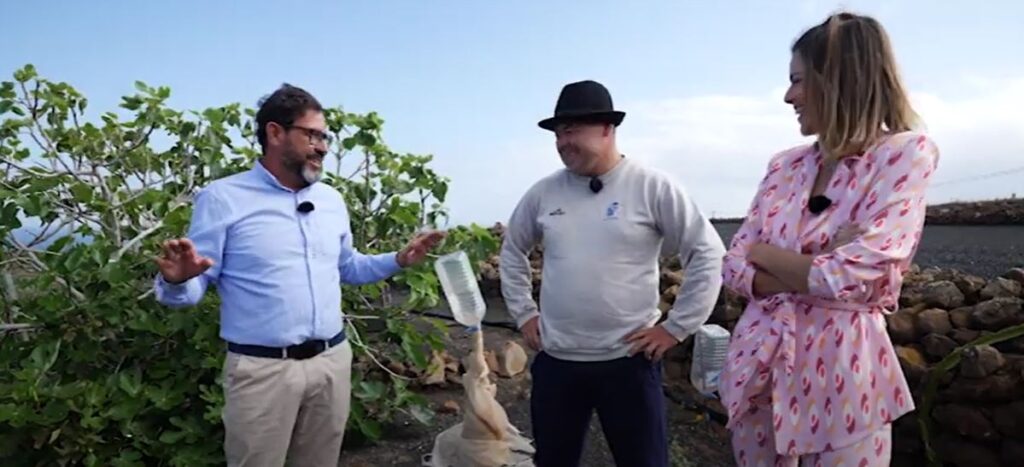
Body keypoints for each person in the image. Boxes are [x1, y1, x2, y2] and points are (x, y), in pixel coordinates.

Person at [152, 84, 445, 467]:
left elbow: (348, 267)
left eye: (325, 138)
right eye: (312, 135)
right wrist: (178, 280)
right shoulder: (223, 198)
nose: (322, 147)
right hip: (262, 372)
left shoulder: (330, 200)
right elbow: (196, 284)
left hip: (331, 362)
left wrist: (399, 259)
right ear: (275, 133)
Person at [718, 12, 940, 467]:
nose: (789, 96)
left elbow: (854, 272)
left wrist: (765, 254)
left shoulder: (904, 154)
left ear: (839, 78)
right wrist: (813, 260)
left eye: (798, 80)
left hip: (844, 382)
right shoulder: (784, 165)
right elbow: (734, 265)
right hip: (759, 369)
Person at [499, 79, 725, 467]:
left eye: (572, 130)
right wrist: (524, 313)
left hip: (628, 361)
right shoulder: (544, 193)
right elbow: (512, 251)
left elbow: (708, 252)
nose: (563, 142)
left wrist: (675, 328)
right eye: (558, 133)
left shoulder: (651, 186)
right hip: (558, 360)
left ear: (607, 128)